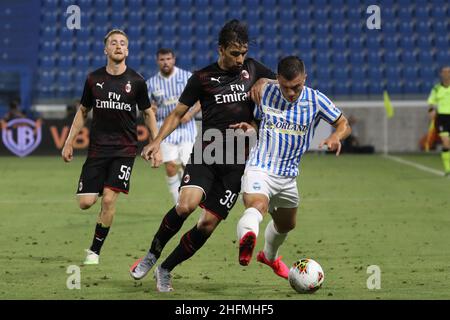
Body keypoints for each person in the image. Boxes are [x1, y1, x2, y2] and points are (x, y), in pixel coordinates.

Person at [130, 19, 276, 292]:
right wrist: (157, 141)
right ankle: (152, 254)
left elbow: (284, 84)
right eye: (234, 53)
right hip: (207, 154)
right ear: (221, 49)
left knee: (207, 225)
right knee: (186, 205)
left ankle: (166, 269)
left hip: (236, 162)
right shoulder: (202, 78)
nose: (240, 58)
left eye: (243, 53)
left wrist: (267, 80)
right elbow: (177, 114)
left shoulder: (253, 69)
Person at [235, 56, 351, 279]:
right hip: (260, 167)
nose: (291, 93)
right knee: (257, 205)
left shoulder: (316, 99)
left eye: (296, 87)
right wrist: (249, 129)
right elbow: (256, 123)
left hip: (288, 176)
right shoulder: (265, 93)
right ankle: (247, 241)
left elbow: (343, 123)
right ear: (277, 79)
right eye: (286, 87)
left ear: (305, 78)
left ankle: (269, 256)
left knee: (287, 224)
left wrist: (336, 137)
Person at [61, 29, 162, 265]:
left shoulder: (136, 81)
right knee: (86, 203)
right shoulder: (93, 79)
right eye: (113, 43)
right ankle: (101, 185)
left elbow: (148, 113)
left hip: (124, 150)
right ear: (105, 49)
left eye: (123, 43)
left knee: (108, 200)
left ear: (127, 50)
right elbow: (83, 111)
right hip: (97, 150)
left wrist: (155, 145)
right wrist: (68, 142)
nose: (118, 46)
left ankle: (94, 251)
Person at [146, 48, 201, 204]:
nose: (166, 62)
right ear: (157, 61)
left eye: (168, 59)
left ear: (174, 59)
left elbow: (201, 100)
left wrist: (190, 114)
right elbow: (147, 110)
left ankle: (190, 197)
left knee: (188, 166)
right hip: (165, 129)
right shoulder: (151, 84)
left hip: (187, 129)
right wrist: (152, 110)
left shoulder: (187, 77)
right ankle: (179, 202)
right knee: (170, 167)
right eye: (162, 59)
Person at [427, 65, 450, 176]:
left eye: (448, 72)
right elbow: (431, 101)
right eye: (444, 72)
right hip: (442, 118)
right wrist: (431, 110)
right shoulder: (436, 88)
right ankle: (447, 168)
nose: (447, 74)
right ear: (441, 74)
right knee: (446, 142)